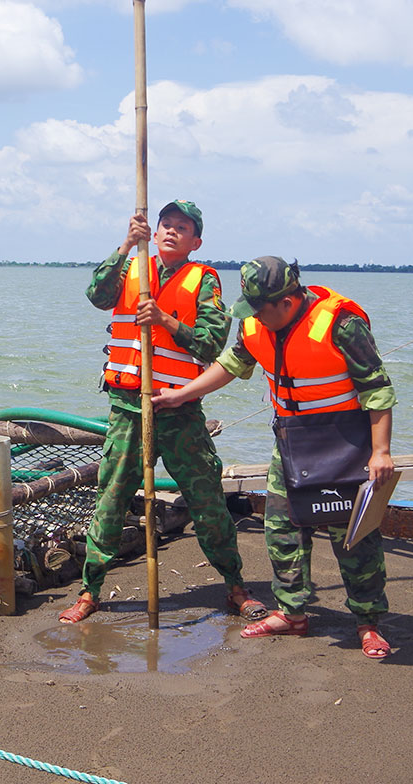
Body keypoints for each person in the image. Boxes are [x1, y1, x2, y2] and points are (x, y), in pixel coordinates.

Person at [154, 256, 396, 658]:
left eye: (261, 309)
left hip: (345, 443)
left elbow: (377, 389)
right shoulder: (256, 325)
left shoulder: (341, 324)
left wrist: (381, 451)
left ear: (287, 300)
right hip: (291, 441)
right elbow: (232, 364)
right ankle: (291, 613)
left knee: (353, 538)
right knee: (282, 530)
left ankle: (368, 622)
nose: (257, 318)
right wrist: (183, 394)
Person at [58, 200, 262, 624]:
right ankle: (90, 590)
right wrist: (125, 244)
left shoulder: (204, 280)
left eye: (181, 227)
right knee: (111, 499)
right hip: (128, 407)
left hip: (180, 409)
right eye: (165, 225)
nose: (170, 231)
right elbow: (96, 295)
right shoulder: (133, 266)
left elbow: (209, 344)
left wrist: (166, 321)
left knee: (207, 500)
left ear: (195, 241)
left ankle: (235, 586)